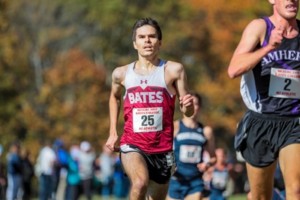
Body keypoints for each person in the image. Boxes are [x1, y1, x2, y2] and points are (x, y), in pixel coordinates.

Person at [105, 17, 194, 200]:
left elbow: (187, 112)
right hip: (132, 144)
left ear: (159, 43)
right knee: (139, 183)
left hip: (162, 149)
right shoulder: (121, 74)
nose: (147, 40)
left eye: (152, 37)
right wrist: (113, 131)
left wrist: (189, 107)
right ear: (135, 44)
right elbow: (114, 97)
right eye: (142, 37)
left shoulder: (173, 70)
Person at [227, 0, 300, 199]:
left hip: (294, 122)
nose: (292, 0)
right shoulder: (260, 27)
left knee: (296, 189)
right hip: (261, 121)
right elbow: (234, 69)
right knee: (260, 196)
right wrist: (269, 47)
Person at [166, 93, 216, 200]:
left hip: (195, 181)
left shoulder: (206, 131)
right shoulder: (175, 126)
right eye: (189, 104)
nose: (192, 107)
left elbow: (213, 158)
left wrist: (206, 164)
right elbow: (164, 149)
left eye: (196, 104)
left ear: (200, 108)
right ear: (182, 107)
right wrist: (171, 165)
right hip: (176, 180)